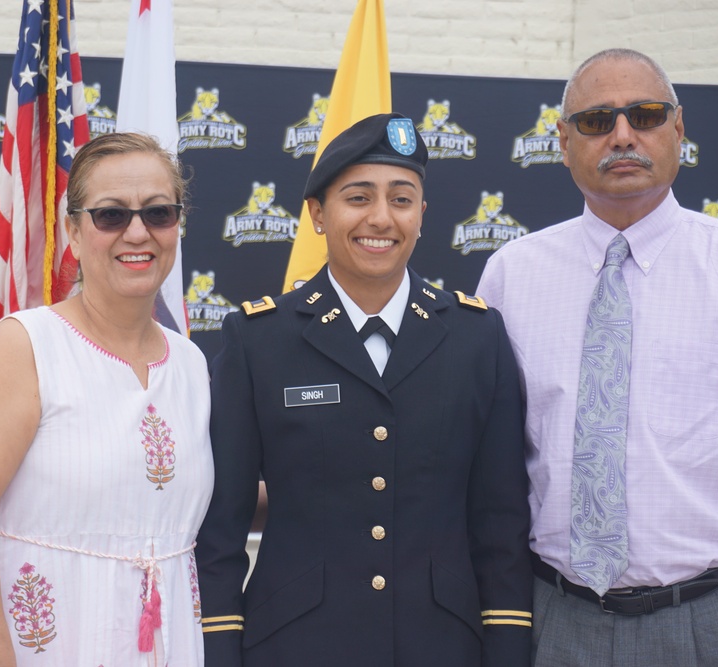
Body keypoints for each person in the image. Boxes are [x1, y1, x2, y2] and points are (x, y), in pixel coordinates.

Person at [477, 48, 718, 667]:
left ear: (678, 129)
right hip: (552, 620)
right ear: (564, 140)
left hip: (714, 625)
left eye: (646, 115)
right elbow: (489, 468)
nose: (623, 136)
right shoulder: (510, 276)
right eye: (598, 121)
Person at [195, 112, 533, 667]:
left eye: (401, 199)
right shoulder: (259, 340)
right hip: (293, 648)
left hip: (443, 649)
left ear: (422, 214)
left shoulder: (477, 337)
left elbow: (500, 525)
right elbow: (221, 530)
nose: (381, 218)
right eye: (358, 197)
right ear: (317, 214)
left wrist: (507, 651)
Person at [0, 132, 213, 667]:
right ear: (74, 232)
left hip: (161, 645)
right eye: (110, 215)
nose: (137, 232)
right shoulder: (25, 345)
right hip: (37, 645)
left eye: (158, 212)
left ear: (178, 225)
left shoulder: (191, 364)